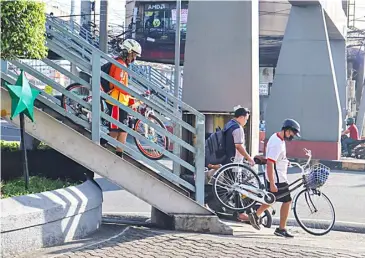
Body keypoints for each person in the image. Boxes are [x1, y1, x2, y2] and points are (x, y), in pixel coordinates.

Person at [247, 118, 301, 238]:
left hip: (278, 176)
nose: (293, 136)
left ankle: (256, 215)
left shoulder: (278, 139)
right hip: (277, 178)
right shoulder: (277, 143)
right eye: (292, 133)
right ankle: (281, 229)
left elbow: (275, 159)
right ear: (287, 130)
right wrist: (272, 183)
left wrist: (284, 161)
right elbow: (271, 163)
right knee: (287, 200)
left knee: (274, 198)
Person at [101, 39, 142, 157]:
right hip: (116, 101)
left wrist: (130, 97)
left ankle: (118, 153)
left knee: (123, 128)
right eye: (133, 55)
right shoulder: (119, 65)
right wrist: (131, 94)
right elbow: (118, 84)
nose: (134, 58)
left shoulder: (122, 65)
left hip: (121, 101)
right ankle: (102, 144)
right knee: (116, 130)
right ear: (127, 52)